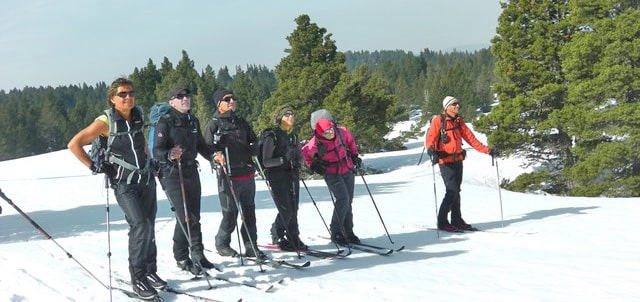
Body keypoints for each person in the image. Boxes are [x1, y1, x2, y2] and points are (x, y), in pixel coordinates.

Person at [67, 78, 165, 300]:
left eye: (131, 92)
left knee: (149, 225)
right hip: (124, 183)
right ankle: (138, 278)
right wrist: (93, 166)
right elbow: (74, 144)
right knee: (140, 225)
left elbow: (141, 143)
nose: (128, 97)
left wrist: (151, 163)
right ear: (112, 98)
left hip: (146, 179)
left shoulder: (137, 114)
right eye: (122, 94)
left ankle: (150, 271)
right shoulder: (105, 121)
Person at [152, 88, 217, 275]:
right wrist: (170, 154)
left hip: (190, 170)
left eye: (187, 96)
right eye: (180, 97)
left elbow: (201, 146)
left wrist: (213, 156)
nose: (185, 99)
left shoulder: (192, 121)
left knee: (194, 214)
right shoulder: (165, 122)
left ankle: (198, 254)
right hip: (172, 173)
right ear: (171, 102)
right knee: (184, 216)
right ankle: (181, 256)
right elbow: (157, 151)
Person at [203, 89, 266, 259]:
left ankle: (251, 245)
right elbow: (206, 149)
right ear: (219, 104)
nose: (232, 101)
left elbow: (252, 140)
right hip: (228, 175)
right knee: (230, 213)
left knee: (249, 213)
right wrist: (216, 154)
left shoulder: (241, 122)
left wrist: (255, 146)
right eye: (227, 99)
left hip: (246, 173)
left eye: (233, 98)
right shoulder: (213, 125)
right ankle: (222, 243)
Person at [424, 96, 498, 232]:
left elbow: (471, 139)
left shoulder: (458, 121)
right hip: (445, 162)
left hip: (458, 160)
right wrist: (431, 151)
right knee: (451, 191)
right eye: (454, 104)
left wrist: (488, 150)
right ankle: (442, 222)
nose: (458, 106)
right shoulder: (438, 121)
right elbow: (430, 139)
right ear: (447, 107)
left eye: (458, 104)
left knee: (456, 191)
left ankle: (457, 220)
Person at [301, 116, 362, 245]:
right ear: (320, 133)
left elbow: (351, 142)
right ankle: (336, 232)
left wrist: (355, 155)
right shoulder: (315, 143)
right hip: (332, 173)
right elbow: (304, 154)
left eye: (331, 129)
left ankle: (348, 231)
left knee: (348, 201)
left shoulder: (342, 132)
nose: (331, 133)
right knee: (343, 199)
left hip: (347, 169)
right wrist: (314, 166)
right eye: (327, 132)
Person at [260, 105, 307, 251]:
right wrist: (283, 159)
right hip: (277, 176)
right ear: (279, 118)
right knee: (285, 209)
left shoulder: (293, 135)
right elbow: (266, 161)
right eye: (287, 115)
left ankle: (293, 236)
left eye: (292, 115)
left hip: (292, 175)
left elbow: (300, 157)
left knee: (294, 208)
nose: (290, 117)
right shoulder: (272, 136)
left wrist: (298, 162)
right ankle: (277, 234)